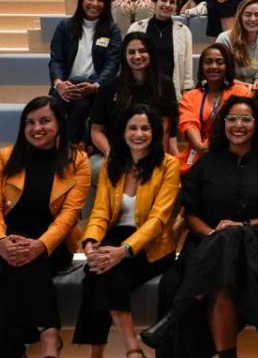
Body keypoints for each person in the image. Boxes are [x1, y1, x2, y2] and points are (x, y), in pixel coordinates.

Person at [144, 95, 258, 357]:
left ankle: (177, 312)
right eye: (232, 119)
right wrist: (216, 234)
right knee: (221, 272)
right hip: (208, 243)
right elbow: (191, 215)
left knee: (226, 248)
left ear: (257, 124)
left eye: (246, 119)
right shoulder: (206, 164)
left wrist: (241, 226)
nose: (239, 125)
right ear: (223, 124)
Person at [0, 96, 91, 358]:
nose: (36, 128)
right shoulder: (4, 158)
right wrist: (0, 241)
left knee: (12, 279)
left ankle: (15, 350)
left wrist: (41, 245)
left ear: (59, 124)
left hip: (53, 245)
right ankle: (49, 337)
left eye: (45, 121)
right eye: (29, 122)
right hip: (5, 242)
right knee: (12, 268)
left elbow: (70, 214)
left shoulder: (77, 160)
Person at [74, 105, 180, 358]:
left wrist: (123, 251)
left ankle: (112, 350)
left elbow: (158, 219)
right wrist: (90, 243)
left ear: (154, 133)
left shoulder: (168, 165)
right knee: (97, 267)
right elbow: (99, 211)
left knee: (104, 271)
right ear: (122, 132)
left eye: (145, 128)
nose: (139, 134)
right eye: (132, 128)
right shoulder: (113, 163)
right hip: (115, 237)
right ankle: (130, 348)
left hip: (153, 245)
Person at [49, 0, 121, 143]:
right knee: (80, 106)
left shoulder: (112, 30)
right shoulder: (64, 26)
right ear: (82, 0)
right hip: (65, 89)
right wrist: (59, 84)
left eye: (100, 0)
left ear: (106, 4)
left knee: (76, 91)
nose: (95, 4)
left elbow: (112, 64)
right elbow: (56, 60)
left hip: (95, 91)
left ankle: (52, 143)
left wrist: (95, 86)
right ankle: (68, 146)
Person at [89, 32, 179, 156]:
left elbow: (166, 127)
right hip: (115, 152)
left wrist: (159, 158)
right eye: (131, 52)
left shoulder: (165, 85)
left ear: (151, 53)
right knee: (96, 168)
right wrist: (111, 155)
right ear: (124, 56)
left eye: (142, 51)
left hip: (152, 153)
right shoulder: (108, 88)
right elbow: (96, 130)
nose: (137, 56)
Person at [177, 43, 253, 171]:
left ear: (227, 66)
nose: (213, 66)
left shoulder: (242, 93)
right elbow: (189, 125)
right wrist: (200, 146)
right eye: (208, 62)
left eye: (219, 62)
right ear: (201, 67)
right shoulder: (189, 97)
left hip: (235, 154)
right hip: (199, 155)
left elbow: (245, 127)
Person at [128, 0, 195, 96]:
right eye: (163, 0)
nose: (167, 5)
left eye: (172, 2)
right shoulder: (136, 28)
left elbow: (188, 73)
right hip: (141, 92)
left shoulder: (184, 32)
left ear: (177, 6)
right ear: (155, 1)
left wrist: (186, 94)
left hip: (171, 93)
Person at [216, 0, 258, 93]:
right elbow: (222, 75)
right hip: (226, 90)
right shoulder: (224, 39)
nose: (253, 19)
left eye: (257, 15)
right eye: (248, 15)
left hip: (251, 92)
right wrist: (247, 86)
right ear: (240, 17)